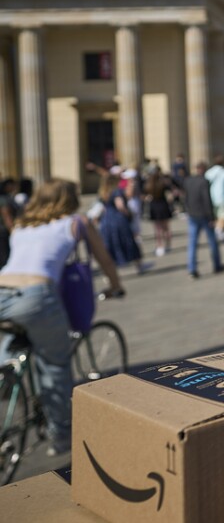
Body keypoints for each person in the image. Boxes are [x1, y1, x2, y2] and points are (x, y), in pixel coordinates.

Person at [0, 179, 125, 455]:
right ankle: (61, 436)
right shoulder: (76, 222)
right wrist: (115, 286)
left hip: (2, 291)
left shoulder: (22, 224)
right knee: (55, 366)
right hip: (36, 296)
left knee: (11, 345)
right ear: (69, 199)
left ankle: (7, 379)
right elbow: (104, 259)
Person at [96, 173, 149, 277]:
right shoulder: (117, 191)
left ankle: (110, 272)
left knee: (110, 244)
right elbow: (120, 205)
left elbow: (102, 208)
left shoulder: (103, 193)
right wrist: (128, 213)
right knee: (128, 241)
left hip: (107, 220)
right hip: (118, 220)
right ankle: (138, 265)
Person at [182, 161, 224, 280]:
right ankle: (217, 265)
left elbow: (185, 198)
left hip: (192, 214)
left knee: (192, 243)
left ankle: (192, 269)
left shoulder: (188, 181)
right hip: (204, 215)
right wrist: (212, 217)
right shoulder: (204, 181)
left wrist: (187, 210)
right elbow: (207, 200)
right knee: (212, 241)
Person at [144, 165, 174, 256]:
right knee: (166, 227)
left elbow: (144, 195)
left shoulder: (148, 184)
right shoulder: (163, 183)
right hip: (163, 205)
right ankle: (168, 244)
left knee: (157, 229)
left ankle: (159, 246)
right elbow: (171, 192)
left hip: (154, 205)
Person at [205, 155, 224, 242]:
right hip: (222, 197)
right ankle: (218, 230)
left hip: (211, 197)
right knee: (222, 216)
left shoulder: (209, 172)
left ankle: (222, 233)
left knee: (215, 216)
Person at [0, 177, 17, 269]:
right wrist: (13, 232)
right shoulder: (4, 200)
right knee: (5, 260)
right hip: (3, 233)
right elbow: (7, 216)